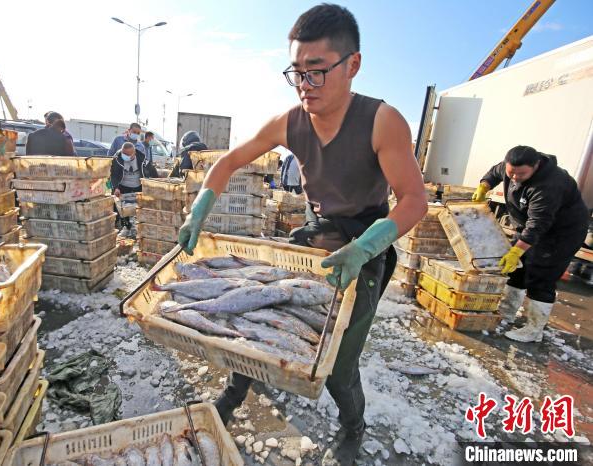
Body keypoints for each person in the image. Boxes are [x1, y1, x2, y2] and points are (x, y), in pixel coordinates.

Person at [177, 5, 427, 464]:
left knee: (337, 360)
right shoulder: (288, 122)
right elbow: (228, 161)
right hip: (314, 238)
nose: (304, 85)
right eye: (296, 72)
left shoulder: (382, 120)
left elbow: (414, 200)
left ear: (352, 65)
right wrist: (200, 208)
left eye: (316, 71)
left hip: (364, 245)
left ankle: (353, 425)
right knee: (253, 320)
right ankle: (234, 393)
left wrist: (366, 247)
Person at [472, 145, 588, 343]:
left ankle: (534, 329)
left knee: (540, 276)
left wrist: (516, 251)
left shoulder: (550, 184)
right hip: (529, 227)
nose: (515, 178)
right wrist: (484, 185)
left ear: (536, 166)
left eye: (521, 174)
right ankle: (506, 313)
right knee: (517, 270)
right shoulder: (511, 167)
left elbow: (537, 225)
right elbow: (495, 172)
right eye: (511, 173)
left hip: (559, 234)